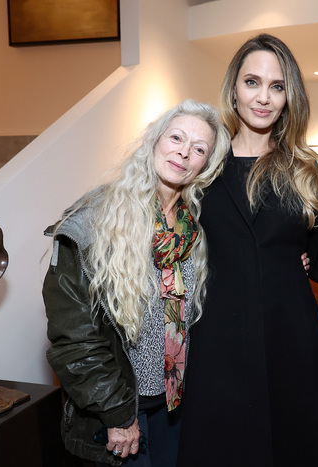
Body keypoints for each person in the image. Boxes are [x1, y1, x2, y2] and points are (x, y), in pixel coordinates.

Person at [177, 34, 318, 466]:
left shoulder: (310, 169)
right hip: (218, 336)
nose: (263, 98)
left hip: (291, 335)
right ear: (234, 88)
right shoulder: (203, 164)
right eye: (252, 82)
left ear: (290, 97)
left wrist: (300, 259)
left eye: (277, 86)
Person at [42, 99, 230, 467]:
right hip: (122, 410)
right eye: (176, 137)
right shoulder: (96, 222)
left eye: (199, 149)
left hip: (177, 406)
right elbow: (74, 338)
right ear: (155, 140)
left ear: (205, 165)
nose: (183, 152)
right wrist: (117, 414)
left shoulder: (196, 228)